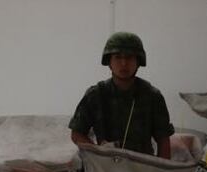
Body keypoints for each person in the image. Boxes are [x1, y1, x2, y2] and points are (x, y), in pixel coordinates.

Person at [69, 31, 174, 159]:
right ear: (109, 61)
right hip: (106, 167)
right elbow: (77, 134)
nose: (123, 63)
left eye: (129, 57)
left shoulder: (152, 96)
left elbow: (163, 140)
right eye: (118, 57)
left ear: (138, 61)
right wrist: (99, 153)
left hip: (142, 168)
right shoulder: (96, 95)